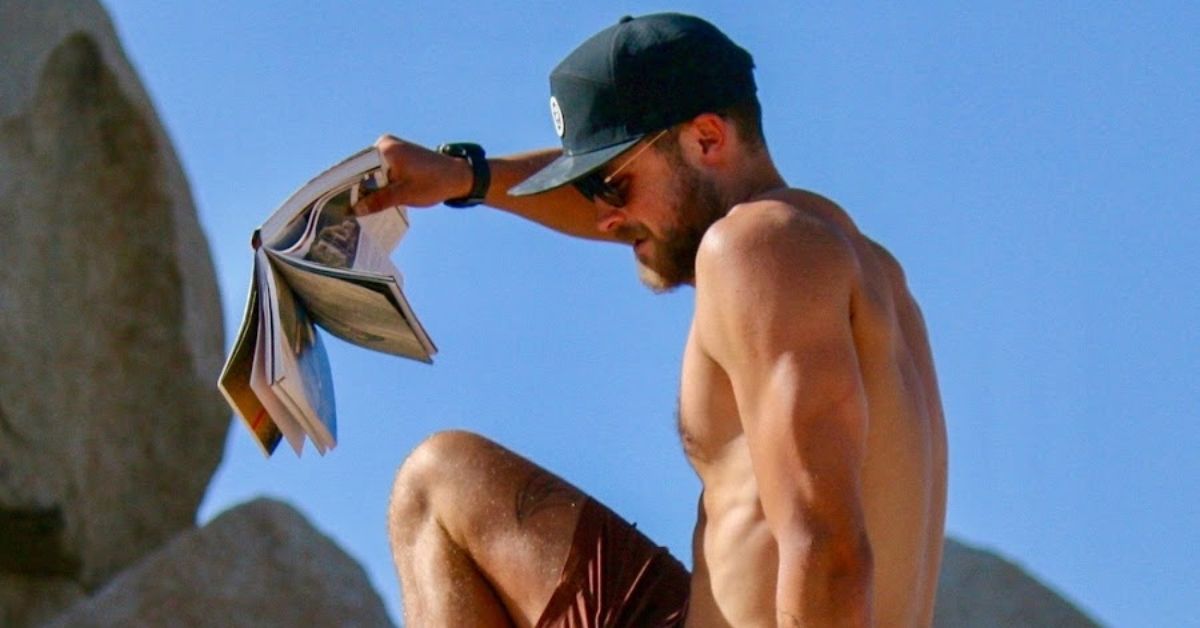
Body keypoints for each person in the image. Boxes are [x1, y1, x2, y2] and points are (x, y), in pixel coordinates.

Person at [356, 13, 947, 628]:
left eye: (614, 185)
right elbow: (657, 202)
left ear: (708, 139)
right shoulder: (850, 265)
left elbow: (830, 550)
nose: (606, 217)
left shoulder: (755, 251)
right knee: (449, 482)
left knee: (432, 486)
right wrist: (466, 176)